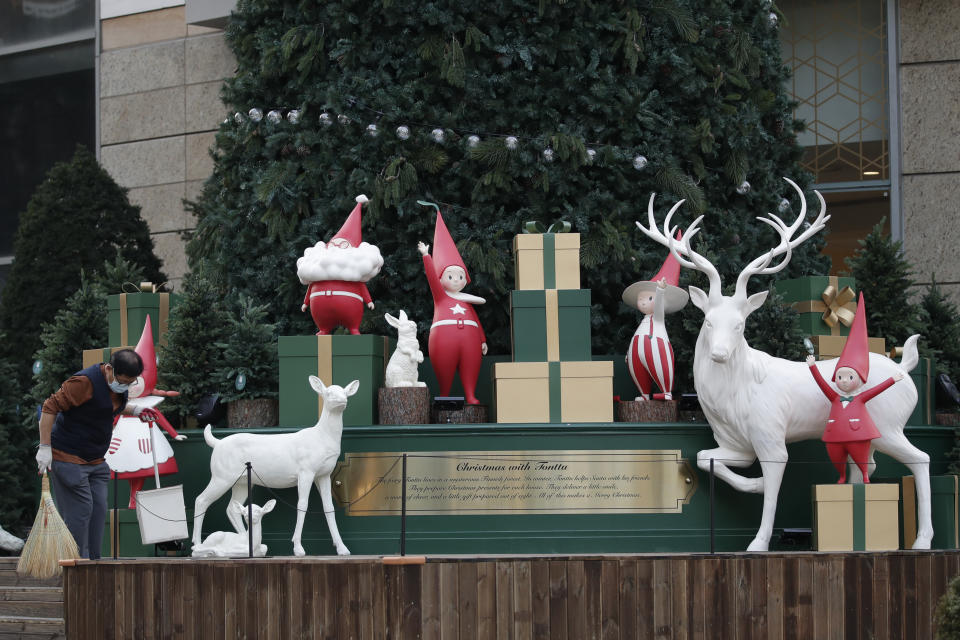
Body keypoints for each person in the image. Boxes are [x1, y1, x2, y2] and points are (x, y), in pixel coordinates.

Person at [36, 349, 149, 559]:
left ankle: (94, 565)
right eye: (123, 381)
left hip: (96, 461)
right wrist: (44, 447)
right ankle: (77, 567)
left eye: (130, 383)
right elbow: (49, 407)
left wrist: (134, 410)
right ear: (109, 369)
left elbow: (103, 407)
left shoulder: (118, 385)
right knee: (80, 512)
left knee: (98, 511)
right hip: (68, 457)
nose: (125, 386)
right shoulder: (82, 383)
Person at [807, 293, 903, 483]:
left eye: (849, 377)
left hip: (858, 434)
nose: (843, 381)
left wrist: (892, 379)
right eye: (840, 377)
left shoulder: (860, 398)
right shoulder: (834, 396)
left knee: (861, 455)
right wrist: (812, 367)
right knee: (836, 456)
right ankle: (842, 475)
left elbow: (877, 390)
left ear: (858, 379)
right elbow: (822, 384)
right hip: (835, 435)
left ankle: (865, 474)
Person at [418, 208, 487, 405]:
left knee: (471, 365)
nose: (456, 280)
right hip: (444, 338)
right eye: (450, 276)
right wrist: (426, 256)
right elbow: (431, 278)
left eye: (460, 276)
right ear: (442, 278)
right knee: (445, 367)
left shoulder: (467, 300)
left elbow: (474, 318)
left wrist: (482, 339)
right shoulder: (440, 296)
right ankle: (445, 394)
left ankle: (471, 394)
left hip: (470, 339)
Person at [622, 234, 689, 401]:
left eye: (648, 298)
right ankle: (644, 394)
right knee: (637, 367)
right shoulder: (645, 321)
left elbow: (658, 307)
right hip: (638, 349)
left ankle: (666, 391)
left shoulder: (657, 318)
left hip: (656, 344)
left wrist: (660, 292)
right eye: (641, 299)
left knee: (660, 364)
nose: (643, 302)